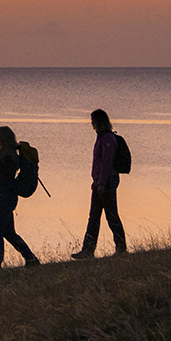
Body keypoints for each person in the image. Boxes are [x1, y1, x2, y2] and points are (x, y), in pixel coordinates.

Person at [72, 108, 126, 258]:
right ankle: (88, 250)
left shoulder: (107, 138)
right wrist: (96, 182)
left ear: (99, 122)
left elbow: (107, 163)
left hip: (107, 182)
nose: (92, 124)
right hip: (99, 182)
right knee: (94, 216)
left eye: (93, 121)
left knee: (111, 215)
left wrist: (101, 183)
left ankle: (121, 247)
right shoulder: (101, 137)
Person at [0, 126, 38, 268]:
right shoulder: (3, 154)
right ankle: (31, 258)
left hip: (6, 198)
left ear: (3, 137)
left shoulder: (9, 156)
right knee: (9, 233)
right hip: (2, 197)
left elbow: (6, 176)